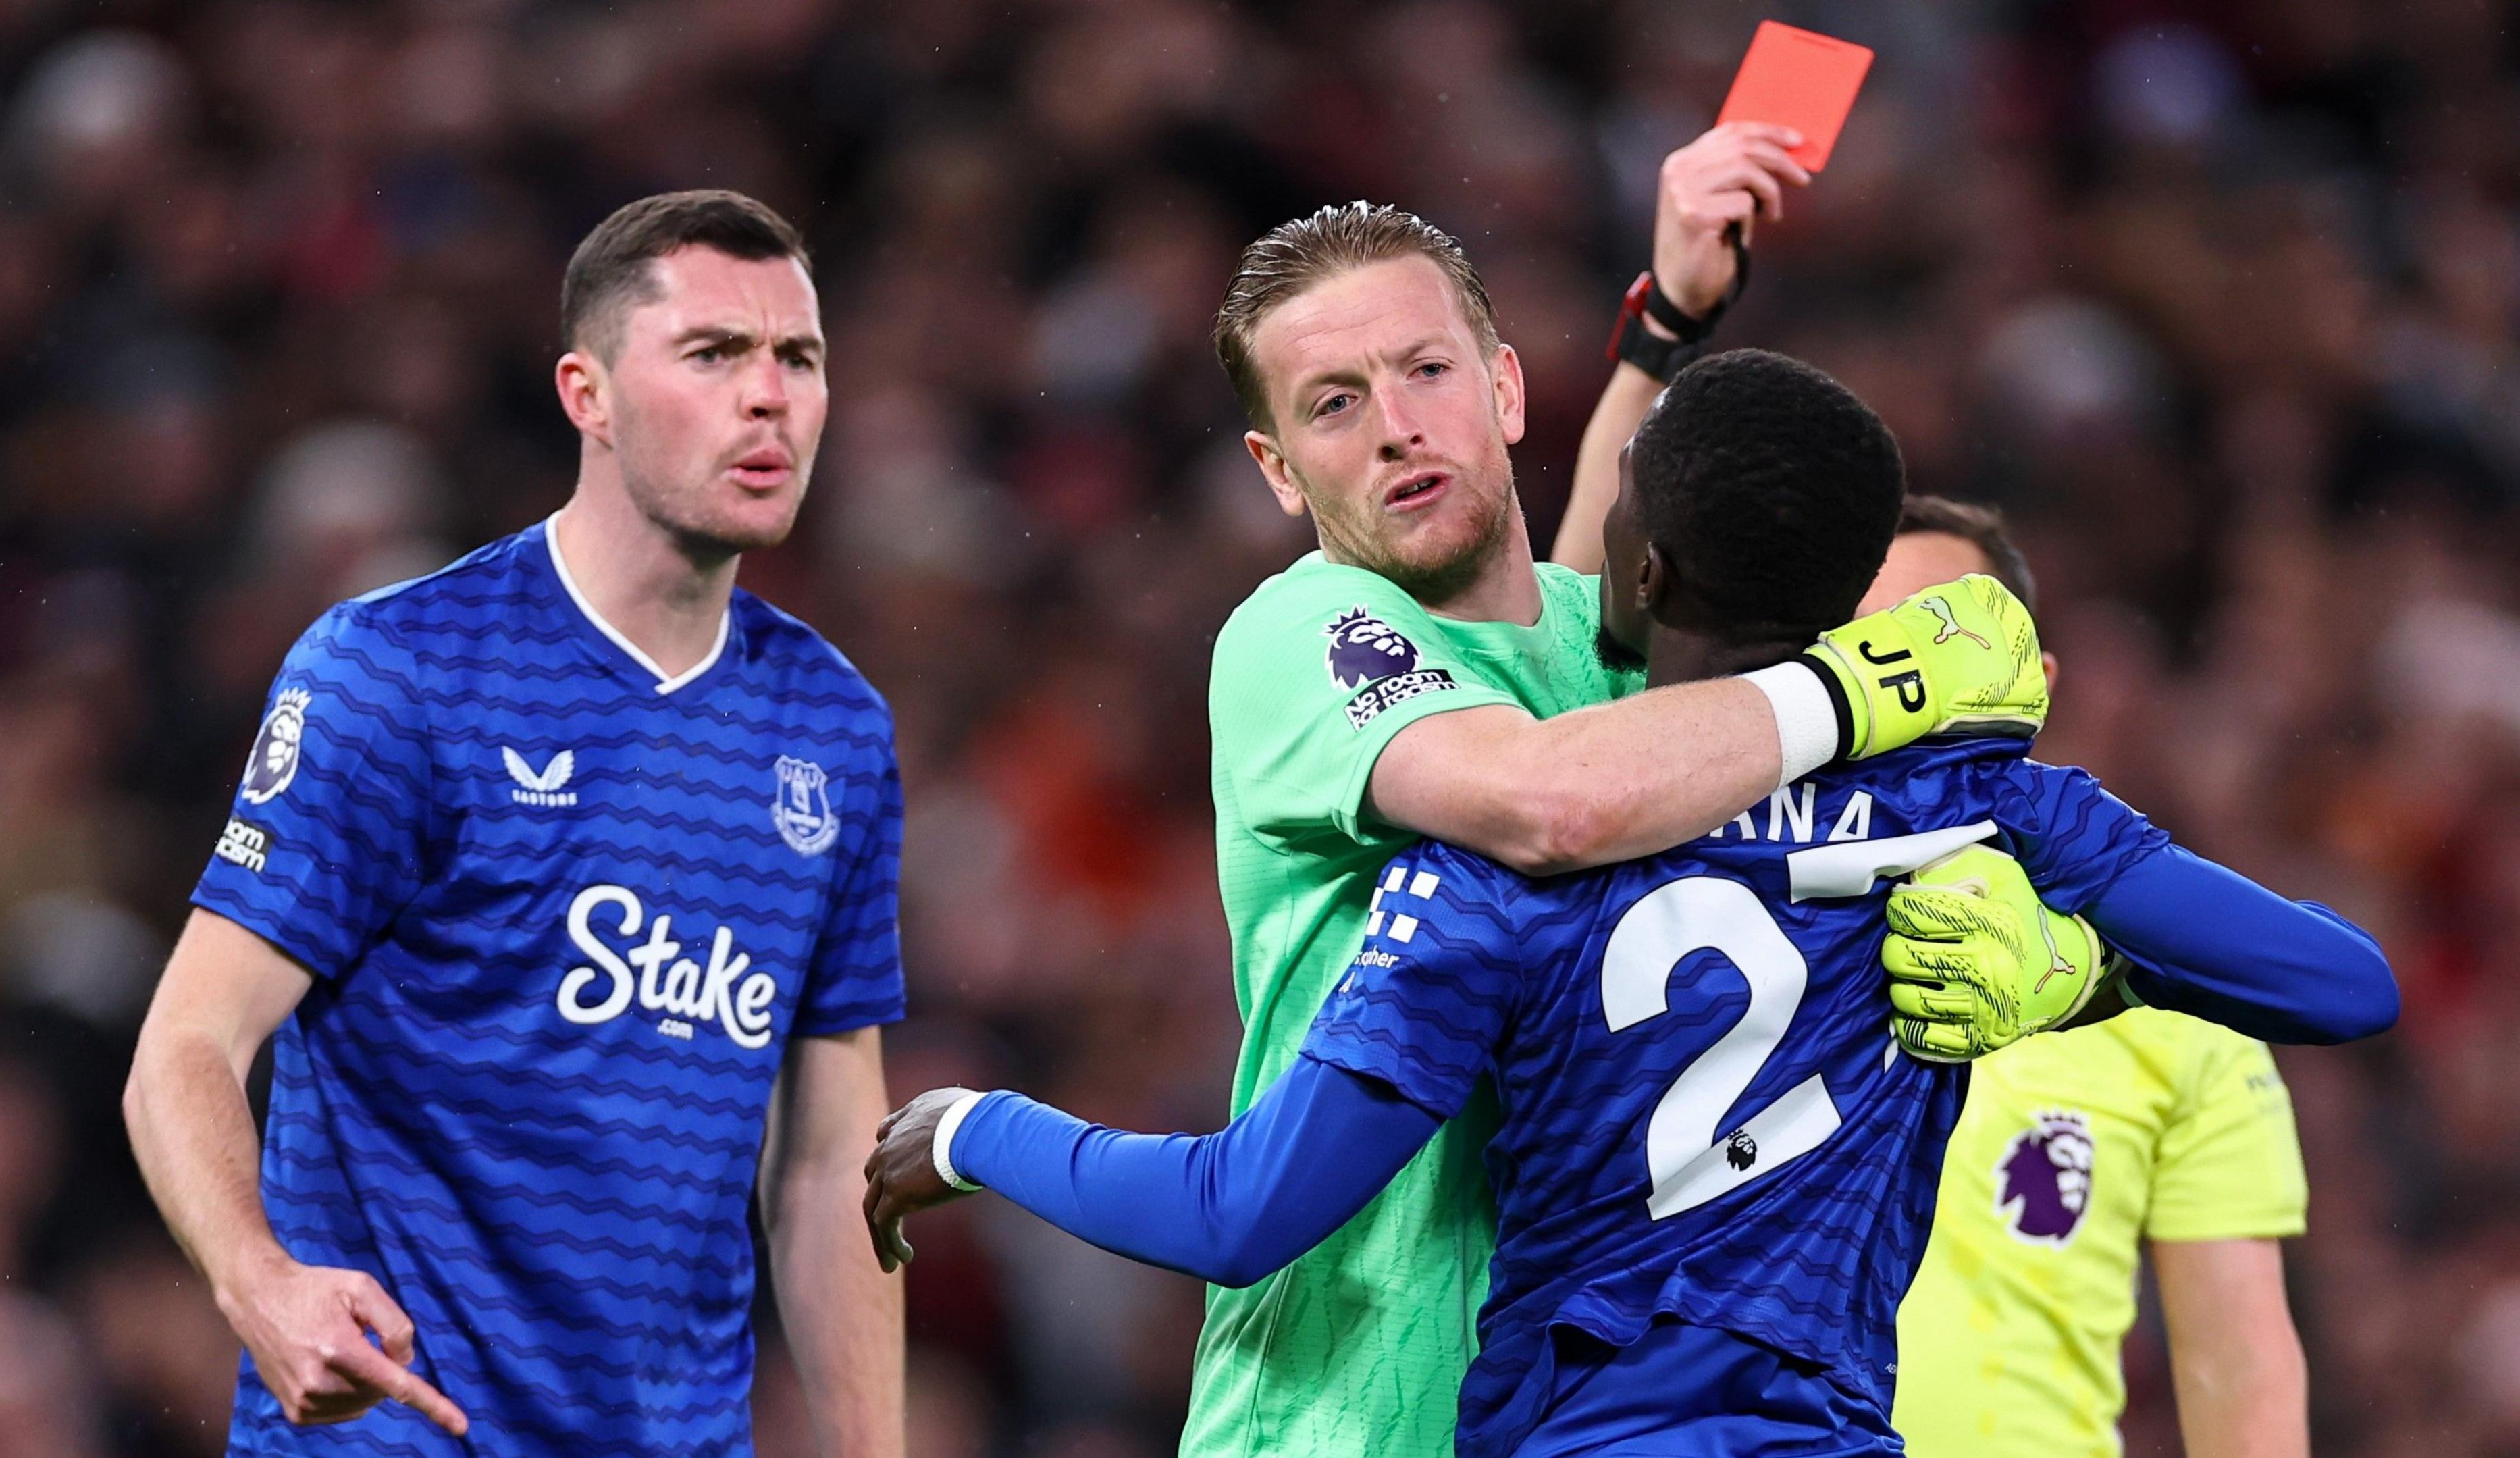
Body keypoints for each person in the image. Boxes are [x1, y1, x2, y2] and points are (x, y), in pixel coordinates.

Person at [860, 352, 2395, 1457]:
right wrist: (2076, 975)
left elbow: (1242, 1215)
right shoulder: (1981, 811)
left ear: (1640, 572)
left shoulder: (1505, 863)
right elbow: (2343, 986)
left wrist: (977, 1130)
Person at [1120, 122, 2059, 1458]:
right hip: (1337, 1416)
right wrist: (1867, 688)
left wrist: (1668, 318)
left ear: (1505, 392)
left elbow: (1565, 640)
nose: (1397, 428)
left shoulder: (1591, 656)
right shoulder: (1296, 637)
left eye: (1428, 372)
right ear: (1278, 473)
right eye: (1333, 403)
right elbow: (1545, 799)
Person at [122, 191, 905, 1457]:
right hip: (395, 1431)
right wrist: (259, 1283)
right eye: (713, 354)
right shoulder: (398, 673)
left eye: (798, 358)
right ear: (586, 395)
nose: (770, 397)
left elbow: (827, 1165)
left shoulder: (834, 730)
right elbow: (186, 1047)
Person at [1877, 497, 2314, 1458]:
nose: (1911, 685)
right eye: (1873, 655)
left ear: (2033, 685)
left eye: (1943, 642)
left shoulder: (2177, 995)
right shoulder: (1721, 935)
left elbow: (2235, 1369)